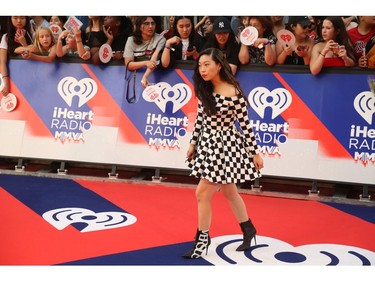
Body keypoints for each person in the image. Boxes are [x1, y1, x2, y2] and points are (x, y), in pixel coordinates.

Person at [183, 47, 264, 259]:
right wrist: (193, 143)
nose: (202, 69)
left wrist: (255, 153)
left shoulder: (233, 92)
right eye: (200, 65)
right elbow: (200, 118)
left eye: (207, 64)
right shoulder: (205, 89)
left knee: (202, 193)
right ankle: (248, 229)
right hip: (207, 143)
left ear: (219, 65)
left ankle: (202, 239)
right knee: (229, 192)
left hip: (225, 146)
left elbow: (245, 126)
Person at [123, 16, 166, 88]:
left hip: (156, 78)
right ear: (139, 26)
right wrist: (145, 63)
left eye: (153, 23)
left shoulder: (160, 39)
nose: (150, 26)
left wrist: (145, 76)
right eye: (146, 24)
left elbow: (153, 61)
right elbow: (128, 64)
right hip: (135, 79)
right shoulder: (131, 40)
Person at [0, 16, 33, 96]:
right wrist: (6, 84)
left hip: (32, 76)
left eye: (22, 18)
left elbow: (34, 53)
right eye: (15, 18)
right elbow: (2, 62)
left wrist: (24, 44)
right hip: (13, 78)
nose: (19, 21)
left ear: (26, 19)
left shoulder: (33, 34)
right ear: (10, 19)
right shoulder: (6, 37)